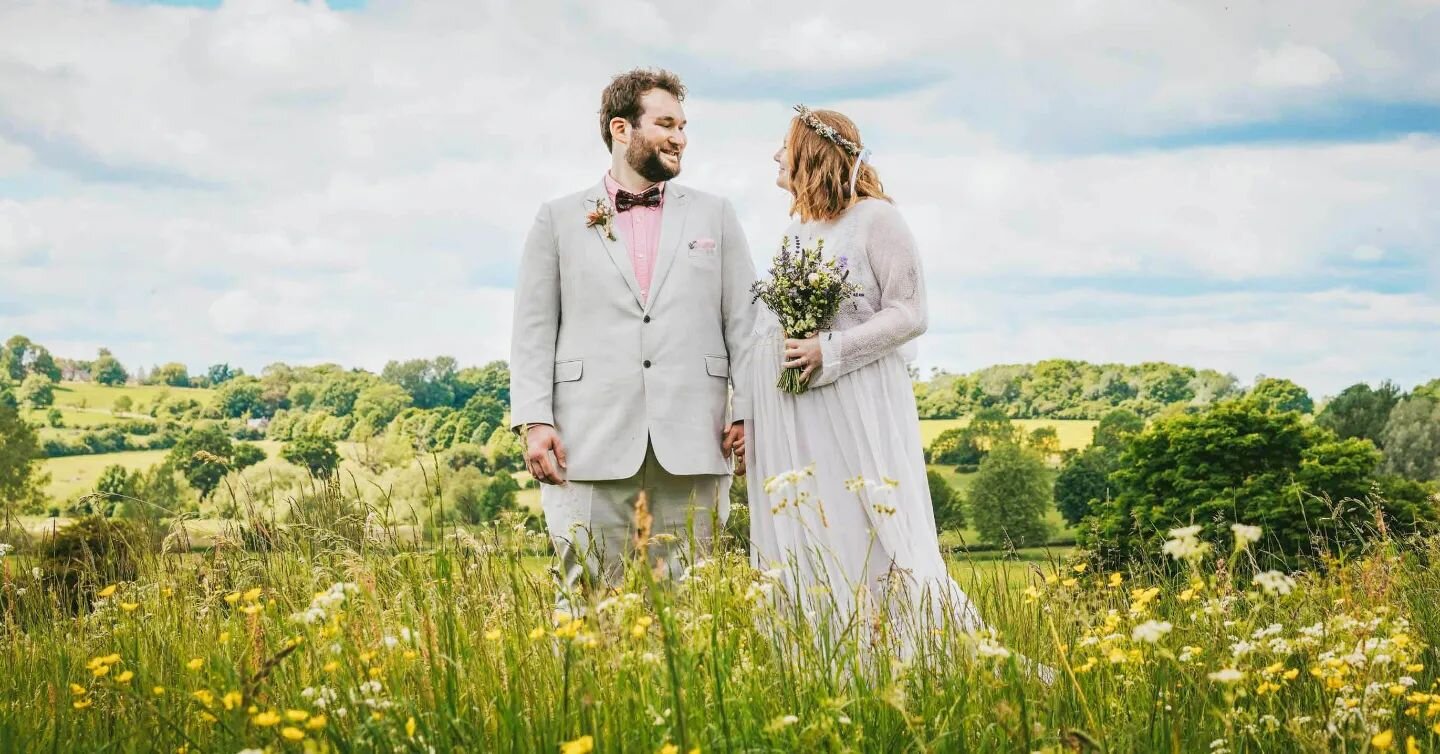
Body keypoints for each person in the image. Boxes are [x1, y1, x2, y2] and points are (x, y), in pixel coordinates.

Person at [745, 105, 1031, 667]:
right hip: (802, 413)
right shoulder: (794, 229)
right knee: (819, 525)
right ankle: (837, 654)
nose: (775, 155)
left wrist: (831, 350)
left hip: (862, 403)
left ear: (812, 152)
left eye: (784, 144)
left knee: (873, 523)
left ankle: (907, 653)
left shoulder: (878, 219)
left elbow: (911, 312)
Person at [509, 68, 757, 602]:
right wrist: (534, 421)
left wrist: (747, 410)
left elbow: (745, 322)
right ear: (622, 129)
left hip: (696, 436)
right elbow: (532, 329)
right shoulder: (556, 219)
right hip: (587, 441)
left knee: (692, 604)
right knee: (586, 601)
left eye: (684, 126)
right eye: (665, 123)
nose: (680, 137)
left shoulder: (716, 215)